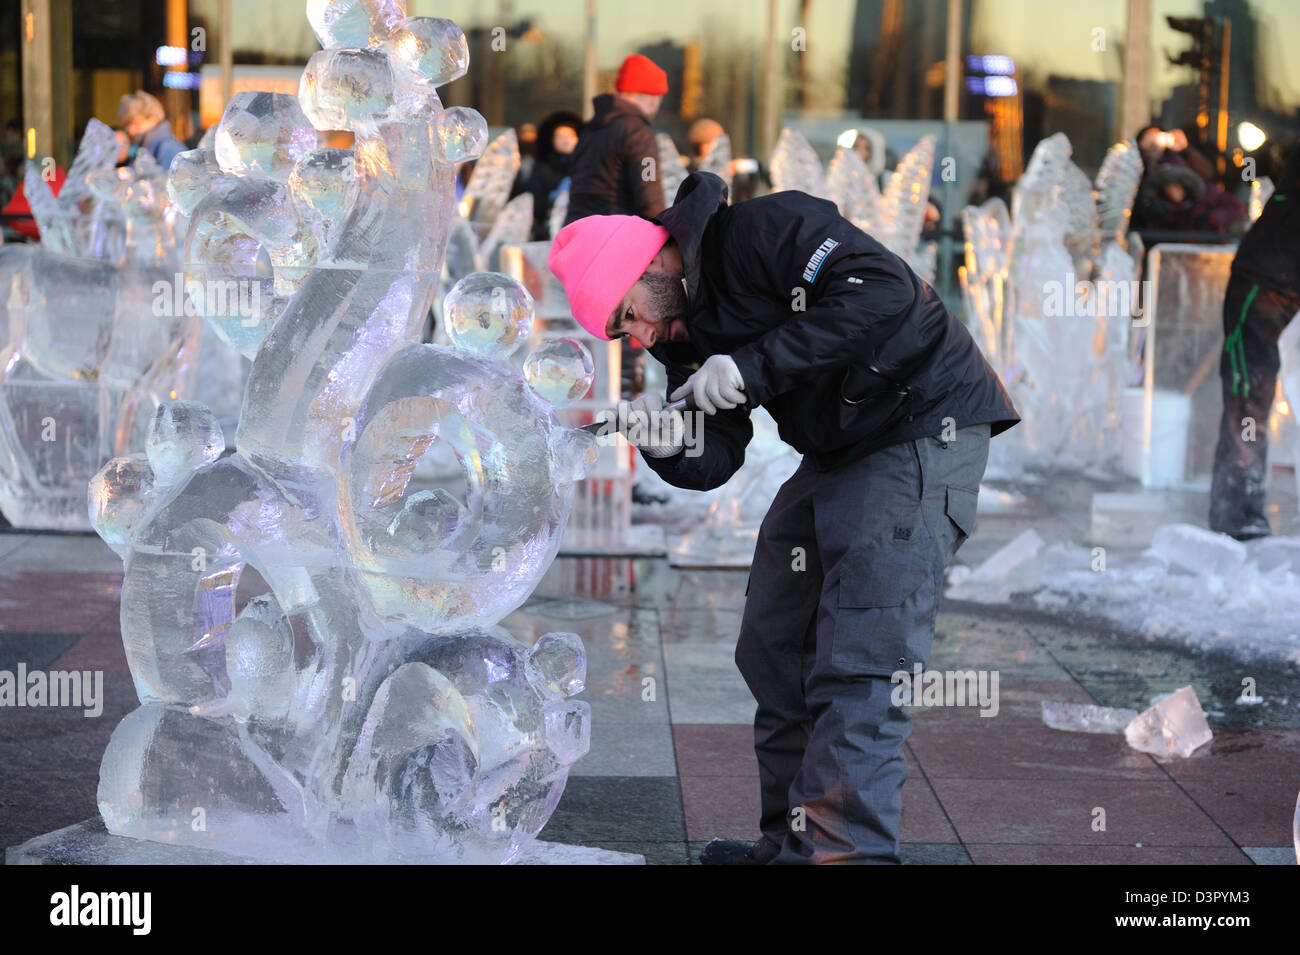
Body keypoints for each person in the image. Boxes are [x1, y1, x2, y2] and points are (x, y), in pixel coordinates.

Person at [547, 171, 1019, 864]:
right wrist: (670, 443)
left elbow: (884, 293)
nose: (643, 337)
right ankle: (790, 844)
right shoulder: (682, 325)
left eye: (629, 315)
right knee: (775, 640)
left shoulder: (767, 229)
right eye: (625, 333)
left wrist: (750, 365)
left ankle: (842, 857)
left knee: (859, 661)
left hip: (921, 423)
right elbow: (720, 452)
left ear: (651, 263)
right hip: (840, 447)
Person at [1209, 142, 1300, 540]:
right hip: (1260, 288)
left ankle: (1243, 506)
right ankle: (1237, 510)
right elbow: (1256, 161)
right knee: (1250, 392)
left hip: (1286, 284)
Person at [563, 54, 668, 225]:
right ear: (650, 98)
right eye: (658, 99)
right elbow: (649, 190)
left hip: (576, 231)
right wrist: (663, 231)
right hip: (613, 235)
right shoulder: (640, 133)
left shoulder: (589, 129)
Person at [510, 110, 582, 241]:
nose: (566, 140)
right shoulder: (542, 168)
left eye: (570, 135)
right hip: (548, 235)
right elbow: (535, 203)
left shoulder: (587, 168)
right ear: (552, 140)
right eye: (560, 136)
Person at [118, 91, 186, 172]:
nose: (131, 131)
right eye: (127, 125)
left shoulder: (168, 148)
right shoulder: (142, 148)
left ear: (153, 118)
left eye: (136, 123)